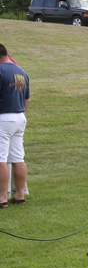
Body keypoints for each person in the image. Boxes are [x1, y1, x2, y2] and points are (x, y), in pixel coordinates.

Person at [0, 44, 29, 207]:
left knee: (0, 159)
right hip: (19, 116)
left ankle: (2, 197)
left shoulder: (0, 71)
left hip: (3, 117)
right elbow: (27, 100)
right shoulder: (21, 71)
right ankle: (19, 195)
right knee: (18, 157)